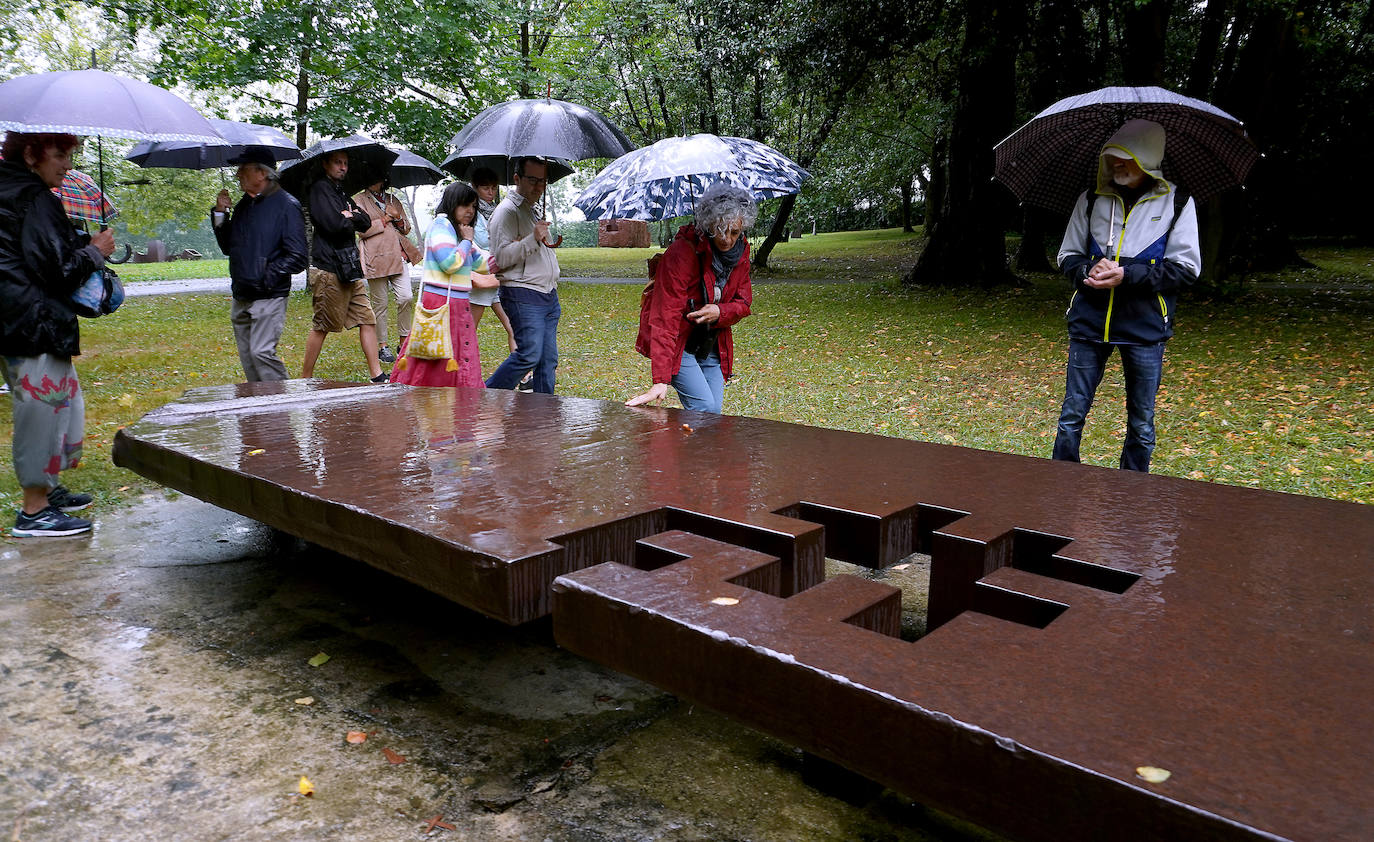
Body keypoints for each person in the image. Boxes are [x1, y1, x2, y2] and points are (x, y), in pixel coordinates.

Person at [1051, 119, 1201, 472]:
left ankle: (1133, 492)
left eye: (1126, 157)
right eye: (1112, 157)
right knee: (1071, 416)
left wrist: (1127, 275)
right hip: (1089, 323)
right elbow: (1067, 255)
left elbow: (1186, 269)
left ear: (1147, 159)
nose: (1116, 164)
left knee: (1141, 422)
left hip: (1145, 327)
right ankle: (1059, 487)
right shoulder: (1091, 199)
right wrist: (1087, 270)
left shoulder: (1178, 202)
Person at [0, 131, 116, 536]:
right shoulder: (33, 197)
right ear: (32, 153)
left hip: (15, 319)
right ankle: (34, 511)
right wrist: (95, 251)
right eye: (60, 155)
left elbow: (29, 251)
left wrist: (78, 241)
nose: (67, 165)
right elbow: (58, 270)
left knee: (60, 403)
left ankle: (48, 490)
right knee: (42, 410)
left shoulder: (10, 190)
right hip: (34, 321)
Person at [626, 182, 755, 414]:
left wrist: (720, 312)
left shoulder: (741, 252)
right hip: (679, 343)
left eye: (734, 232)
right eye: (719, 230)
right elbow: (665, 316)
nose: (726, 239)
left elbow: (744, 303)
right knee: (704, 408)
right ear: (708, 223)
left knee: (712, 414)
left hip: (710, 342)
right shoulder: (682, 253)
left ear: (742, 227)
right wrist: (660, 380)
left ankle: (685, 438)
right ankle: (665, 439)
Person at [212, 147, 308, 382]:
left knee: (261, 353)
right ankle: (260, 403)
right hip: (241, 294)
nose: (238, 174)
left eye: (243, 169)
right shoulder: (244, 205)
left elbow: (298, 256)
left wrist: (266, 274)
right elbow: (228, 246)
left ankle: (281, 400)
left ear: (262, 173)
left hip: (269, 294)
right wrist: (221, 213)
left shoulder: (286, 205)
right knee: (248, 357)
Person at [390, 181, 495, 387]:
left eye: (473, 206)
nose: (470, 211)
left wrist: (515, 252)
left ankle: (454, 397)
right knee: (436, 355)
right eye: (465, 205)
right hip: (441, 304)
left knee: (448, 355)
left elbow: (483, 265)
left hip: (457, 304)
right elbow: (449, 263)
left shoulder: (458, 232)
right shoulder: (441, 226)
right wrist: (467, 241)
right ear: (452, 203)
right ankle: (438, 396)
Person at [300, 149, 386, 383]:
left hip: (349, 267)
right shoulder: (319, 190)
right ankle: (305, 378)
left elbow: (366, 222)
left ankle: (377, 375)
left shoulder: (340, 191)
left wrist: (351, 216)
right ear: (325, 164)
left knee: (367, 318)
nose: (343, 167)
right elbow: (334, 225)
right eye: (338, 162)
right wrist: (349, 217)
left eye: (346, 163)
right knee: (322, 325)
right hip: (329, 268)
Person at [484, 157, 561, 394]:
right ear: (517, 178)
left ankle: (543, 410)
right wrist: (533, 238)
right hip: (522, 293)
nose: (539, 187)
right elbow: (501, 258)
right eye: (533, 180)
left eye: (543, 181)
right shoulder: (506, 212)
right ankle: (483, 398)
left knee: (547, 361)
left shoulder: (531, 210)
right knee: (529, 354)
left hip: (548, 294)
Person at [354, 175, 419, 364]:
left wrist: (397, 217)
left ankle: (403, 342)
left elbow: (406, 228)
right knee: (380, 304)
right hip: (375, 257)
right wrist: (386, 218)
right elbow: (361, 231)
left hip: (397, 256)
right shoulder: (359, 200)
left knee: (406, 297)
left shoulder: (393, 199)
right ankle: (383, 346)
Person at [469, 167, 519, 366]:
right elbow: (482, 240)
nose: (490, 192)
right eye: (485, 188)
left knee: (513, 327)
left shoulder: (499, 210)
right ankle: (463, 373)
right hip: (483, 275)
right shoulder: (472, 212)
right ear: (475, 188)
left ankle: (523, 375)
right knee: (469, 332)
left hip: (499, 276)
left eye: (493, 188)